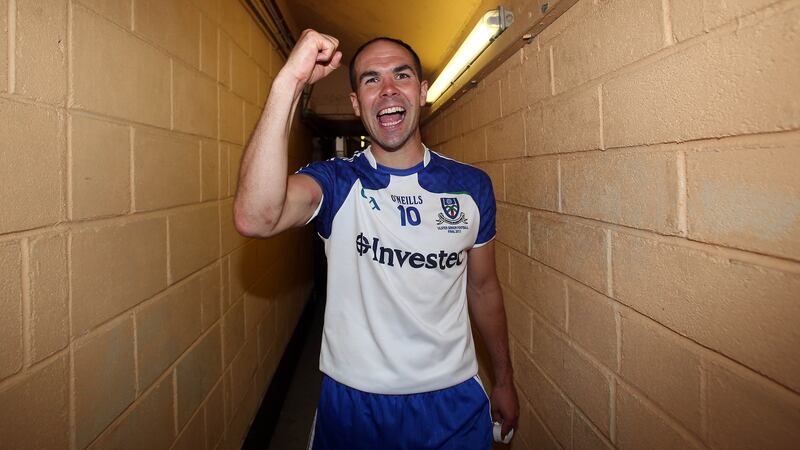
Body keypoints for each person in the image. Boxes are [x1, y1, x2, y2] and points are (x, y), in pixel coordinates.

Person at [234, 29, 519, 449]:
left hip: (452, 401)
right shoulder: (337, 182)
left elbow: (483, 287)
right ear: (355, 102)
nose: (387, 90)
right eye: (371, 80)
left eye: (401, 76)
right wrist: (288, 82)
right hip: (354, 404)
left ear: (421, 92)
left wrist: (505, 379)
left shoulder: (471, 187)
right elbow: (256, 217)